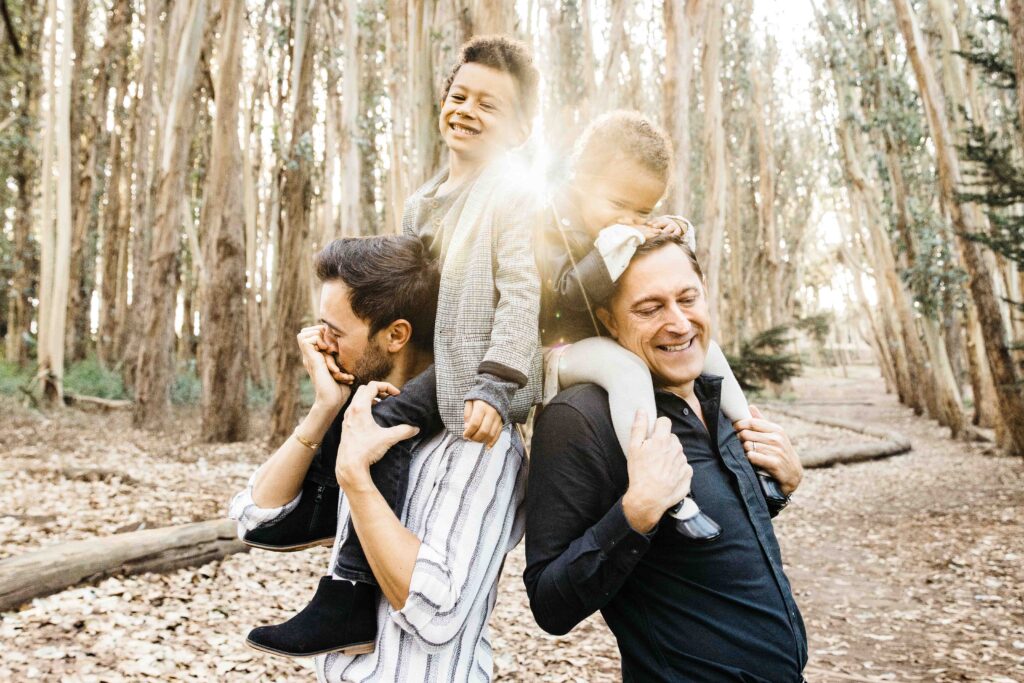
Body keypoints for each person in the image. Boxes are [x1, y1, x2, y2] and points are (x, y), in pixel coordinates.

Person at [239, 34, 543, 662]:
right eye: (460, 95)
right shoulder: (423, 203)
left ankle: (348, 587)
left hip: (475, 374)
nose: (467, 110)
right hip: (430, 365)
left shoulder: (513, 195)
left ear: (519, 131)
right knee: (368, 414)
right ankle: (322, 512)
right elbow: (408, 290)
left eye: (489, 105)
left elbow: (522, 295)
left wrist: (495, 385)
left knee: (381, 424)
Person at [231, 234, 528, 680]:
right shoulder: (358, 413)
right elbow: (255, 519)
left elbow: (438, 614)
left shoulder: (479, 440)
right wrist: (324, 408)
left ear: (395, 335)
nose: (320, 343)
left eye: (334, 332)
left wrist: (355, 477)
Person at [524, 233, 808, 682]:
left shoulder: (714, 396)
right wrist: (635, 513)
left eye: (687, 299)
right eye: (650, 308)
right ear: (609, 320)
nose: (678, 322)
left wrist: (780, 490)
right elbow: (549, 604)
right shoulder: (581, 418)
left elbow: (710, 544)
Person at [538, 111, 789, 542]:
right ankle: (668, 490)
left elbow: (655, 269)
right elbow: (564, 294)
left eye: (643, 210)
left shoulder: (616, 225)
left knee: (708, 350)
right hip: (558, 350)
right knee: (626, 370)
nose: (629, 219)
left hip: (609, 335)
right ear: (581, 181)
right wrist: (611, 248)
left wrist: (672, 228)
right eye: (618, 206)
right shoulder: (550, 223)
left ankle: (754, 448)